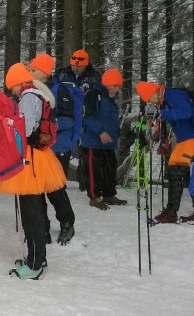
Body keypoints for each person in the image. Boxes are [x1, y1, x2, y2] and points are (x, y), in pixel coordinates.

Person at [0, 64, 68, 278]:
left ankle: (35, 264)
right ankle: (36, 257)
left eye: (12, 88)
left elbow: (24, 129)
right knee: (32, 210)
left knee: (31, 213)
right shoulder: (40, 95)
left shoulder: (28, 97)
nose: (13, 93)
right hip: (39, 157)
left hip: (31, 159)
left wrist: (7, 125)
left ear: (18, 83)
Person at [27, 54, 77, 246]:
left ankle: (67, 222)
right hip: (38, 149)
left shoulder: (59, 90)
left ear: (45, 73)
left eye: (34, 70)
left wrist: (47, 125)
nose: (30, 73)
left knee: (55, 189)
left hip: (57, 148)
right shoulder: (31, 91)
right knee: (36, 190)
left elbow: (68, 119)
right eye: (29, 69)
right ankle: (42, 227)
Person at [136, 81, 194, 223]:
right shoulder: (165, 99)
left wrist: (161, 113)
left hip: (190, 138)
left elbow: (187, 111)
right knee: (186, 175)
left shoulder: (172, 94)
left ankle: (171, 212)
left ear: (154, 92)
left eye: (150, 99)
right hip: (186, 139)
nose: (152, 103)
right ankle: (171, 211)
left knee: (176, 171)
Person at [81, 69, 127, 210]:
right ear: (107, 83)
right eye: (115, 85)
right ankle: (94, 197)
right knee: (93, 170)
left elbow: (112, 120)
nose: (117, 89)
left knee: (110, 168)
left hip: (108, 141)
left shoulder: (110, 98)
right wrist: (100, 131)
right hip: (93, 140)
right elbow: (87, 117)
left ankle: (109, 194)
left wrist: (116, 133)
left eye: (119, 86)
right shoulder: (94, 94)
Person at [51, 49, 97, 187]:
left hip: (86, 118)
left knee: (85, 152)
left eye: (79, 66)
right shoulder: (62, 74)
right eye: (73, 65)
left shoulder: (93, 77)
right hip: (68, 116)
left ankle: (85, 182)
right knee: (64, 149)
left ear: (86, 65)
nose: (75, 68)